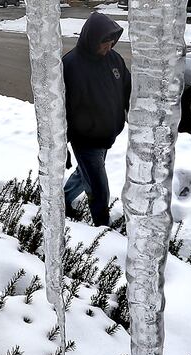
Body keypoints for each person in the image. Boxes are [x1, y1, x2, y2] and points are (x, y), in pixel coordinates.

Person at [62, 12, 131, 227]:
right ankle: (103, 230)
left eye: (112, 43)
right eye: (105, 44)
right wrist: (61, 145)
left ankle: (61, 200)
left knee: (85, 176)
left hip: (106, 137)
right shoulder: (71, 65)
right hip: (85, 140)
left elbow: (127, 88)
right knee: (100, 189)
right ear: (92, 40)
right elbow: (61, 109)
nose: (108, 48)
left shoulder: (114, 60)